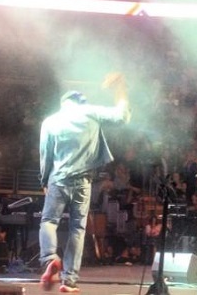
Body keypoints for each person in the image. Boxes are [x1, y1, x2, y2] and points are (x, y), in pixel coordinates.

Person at [39, 73, 130, 293]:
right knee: (77, 229)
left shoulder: (51, 120)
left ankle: (50, 257)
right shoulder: (91, 113)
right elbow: (121, 117)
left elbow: (45, 155)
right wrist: (121, 90)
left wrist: (44, 180)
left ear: (63, 104)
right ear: (82, 103)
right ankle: (69, 281)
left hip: (58, 179)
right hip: (83, 181)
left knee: (49, 221)